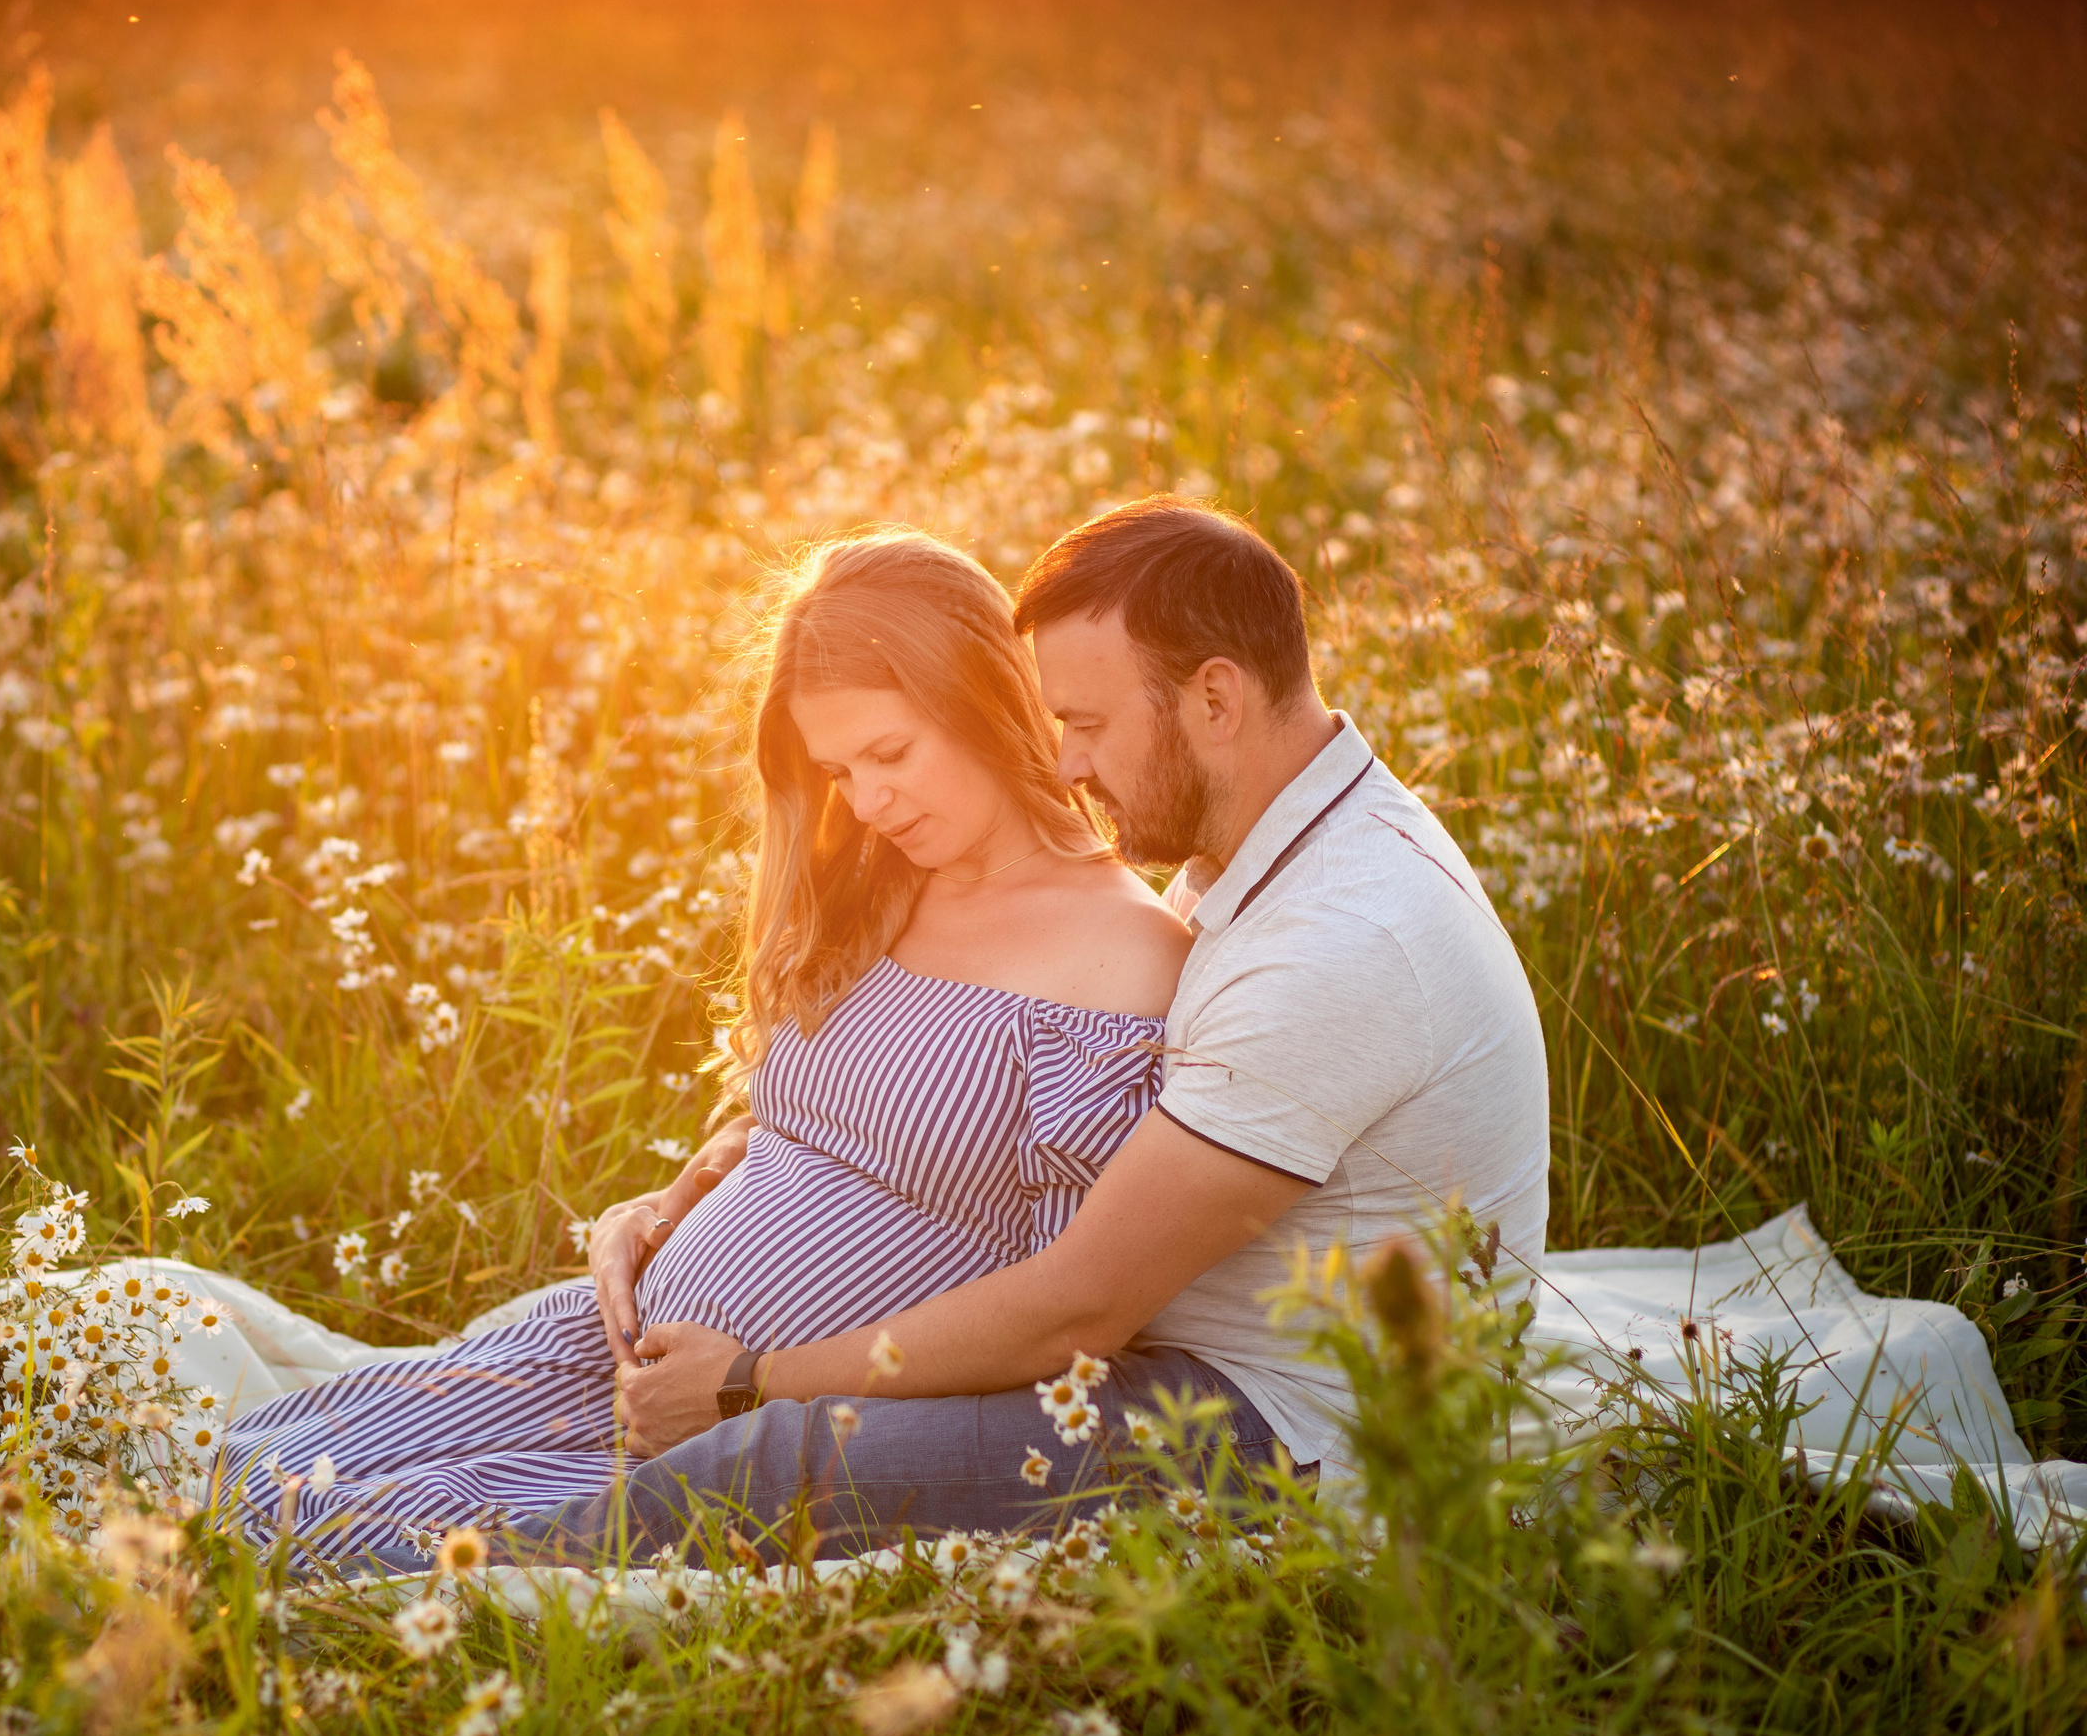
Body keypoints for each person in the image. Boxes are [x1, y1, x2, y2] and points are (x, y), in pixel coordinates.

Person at [500, 494, 1551, 1563]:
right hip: (1186, 1358)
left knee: (772, 1467)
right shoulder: (1275, 848)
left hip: (1279, 1421)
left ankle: (402, 1589)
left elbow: (1075, 1308)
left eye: (1088, 724)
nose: (1068, 765)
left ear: (1216, 698)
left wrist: (745, 1380)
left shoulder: (1341, 940)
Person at [212, 528, 1201, 1562]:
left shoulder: (1119, 958)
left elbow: (1054, 1316)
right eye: (838, 769)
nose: (867, 801)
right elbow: (798, 1126)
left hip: (740, 1431)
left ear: (985, 704)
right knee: (224, 1472)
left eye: (890, 754)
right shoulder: (884, 881)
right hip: (612, 1355)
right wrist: (666, 1206)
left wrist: (754, 1375)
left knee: (315, 1544)